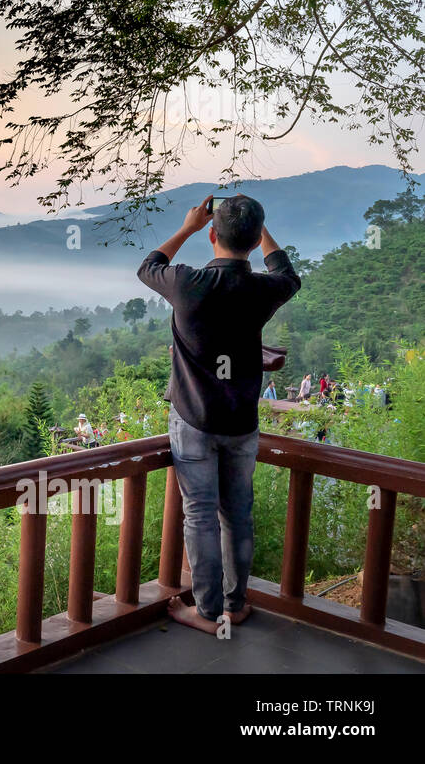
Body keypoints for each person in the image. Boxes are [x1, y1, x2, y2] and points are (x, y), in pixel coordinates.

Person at [138, 194, 301, 634]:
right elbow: (287, 273)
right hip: (242, 423)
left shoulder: (188, 283)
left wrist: (189, 227)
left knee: (201, 515)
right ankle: (237, 603)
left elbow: (147, 266)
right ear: (253, 242)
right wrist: (257, 227)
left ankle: (208, 614)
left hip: (194, 420)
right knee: (238, 515)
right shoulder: (263, 289)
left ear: (212, 234)